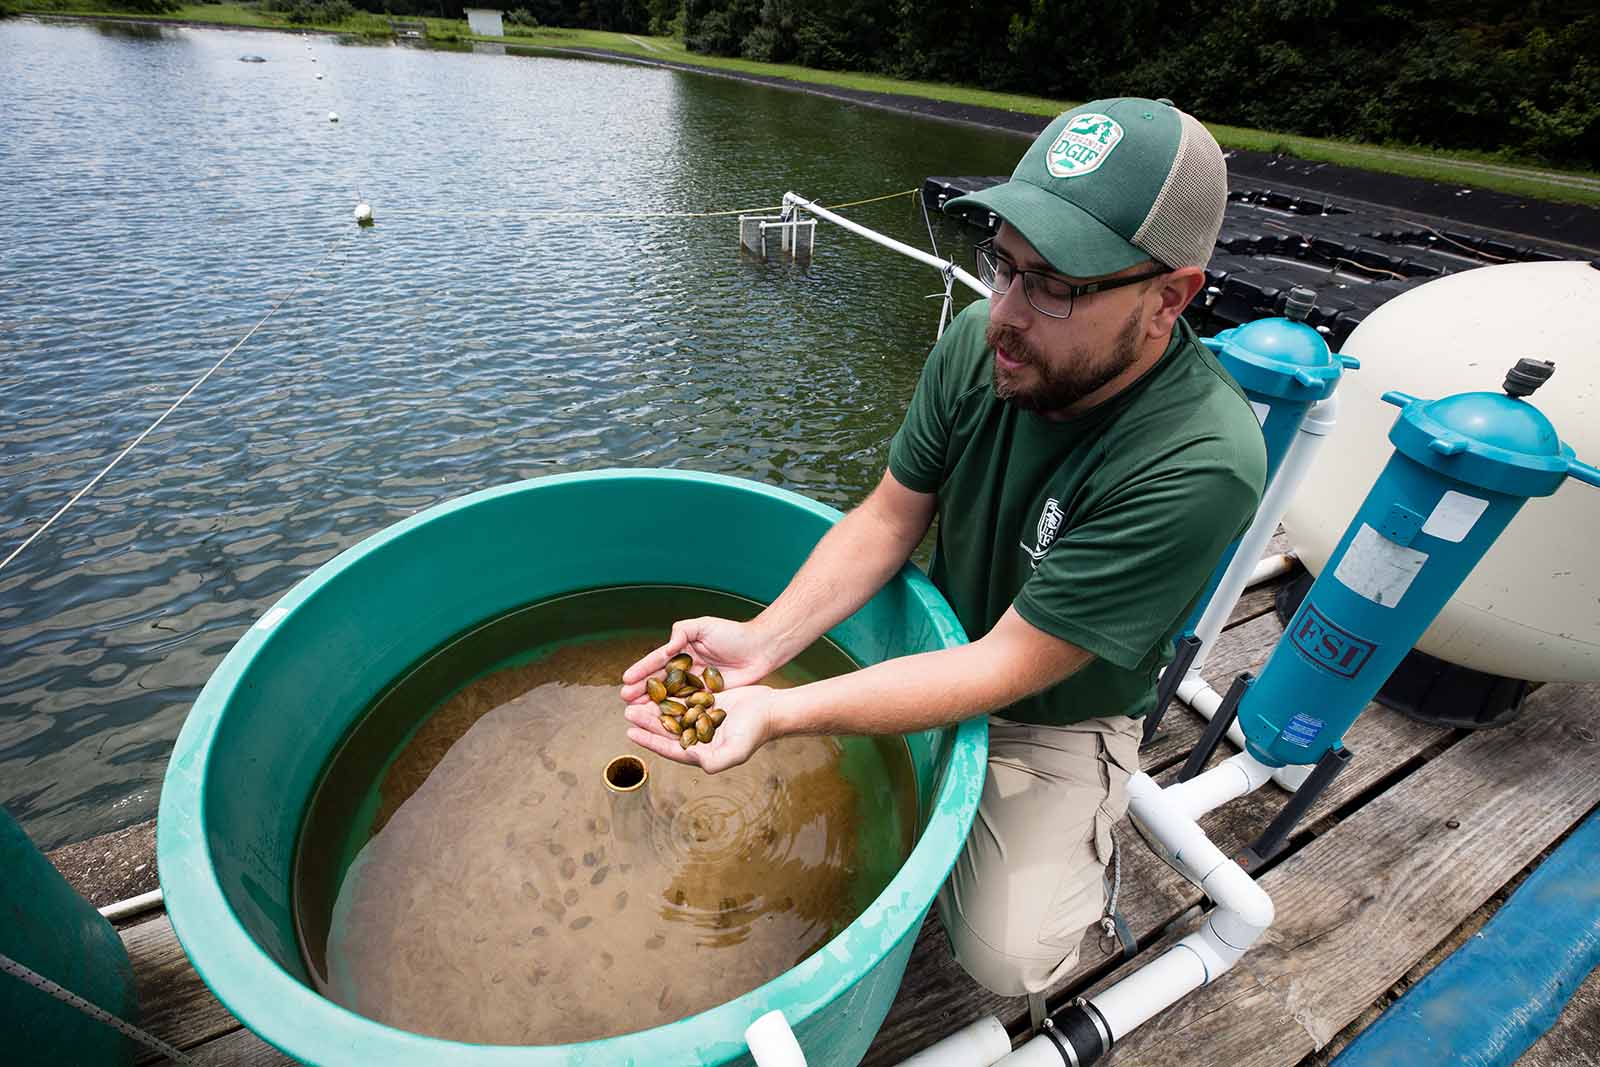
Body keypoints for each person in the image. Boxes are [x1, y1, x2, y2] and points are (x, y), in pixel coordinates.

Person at [619, 98, 1268, 999]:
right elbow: (889, 518)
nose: (1004, 313)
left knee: (1008, 956)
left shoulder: (1199, 461)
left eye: (1053, 285)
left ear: (1169, 297)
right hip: (942, 631)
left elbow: (1007, 667)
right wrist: (764, 643)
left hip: (1051, 707)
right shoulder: (982, 345)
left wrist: (778, 712)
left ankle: (1091, 843)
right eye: (1003, 263)